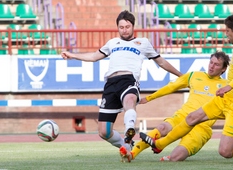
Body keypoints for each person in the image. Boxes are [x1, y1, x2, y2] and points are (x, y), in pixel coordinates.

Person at [61, 10, 182, 160]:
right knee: (104, 132)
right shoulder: (112, 43)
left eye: (127, 26)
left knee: (130, 100)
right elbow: (93, 57)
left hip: (129, 79)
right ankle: (126, 145)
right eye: (121, 27)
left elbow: (161, 62)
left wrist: (181, 76)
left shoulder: (143, 43)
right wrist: (73, 55)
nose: (124, 30)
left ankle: (129, 129)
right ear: (117, 28)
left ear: (133, 27)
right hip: (111, 84)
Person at [140, 14, 233, 159]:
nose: (226, 34)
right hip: (225, 100)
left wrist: (229, 86)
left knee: (225, 152)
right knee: (192, 117)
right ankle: (160, 144)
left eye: (228, 31)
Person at [120, 51, 231, 162]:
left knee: (177, 157)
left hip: (202, 127)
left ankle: (169, 157)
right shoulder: (194, 75)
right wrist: (149, 98)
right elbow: (171, 87)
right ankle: (132, 154)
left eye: (216, 64)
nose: (212, 66)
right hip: (182, 117)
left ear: (223, 69)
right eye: (211, 62)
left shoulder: (227, 87)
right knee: (162, 128)